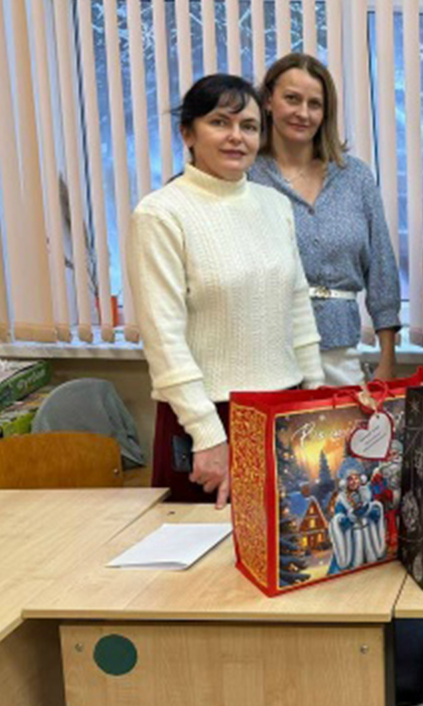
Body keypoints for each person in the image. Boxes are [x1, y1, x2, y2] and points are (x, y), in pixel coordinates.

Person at [128, 74, 323, 507]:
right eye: (220, 122)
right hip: (205, 418)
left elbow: (297, 307)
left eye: (249, 126)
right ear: (188, 133)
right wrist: (207, 434)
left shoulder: (274, 205)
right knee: (203, 545)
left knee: (286, 539)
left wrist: (315, 397)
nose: (237, 137)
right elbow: (163, 338)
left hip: (284, 410)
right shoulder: (160, 214)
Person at [249, 53, 401, 386]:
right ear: (268, 101)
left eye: (314, 104)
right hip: (266, 352)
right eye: (292, 99)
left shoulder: (355, 176)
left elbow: (382, 268)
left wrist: (387, 358)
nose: (303, 113)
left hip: (340, 352)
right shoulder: (246, 176)